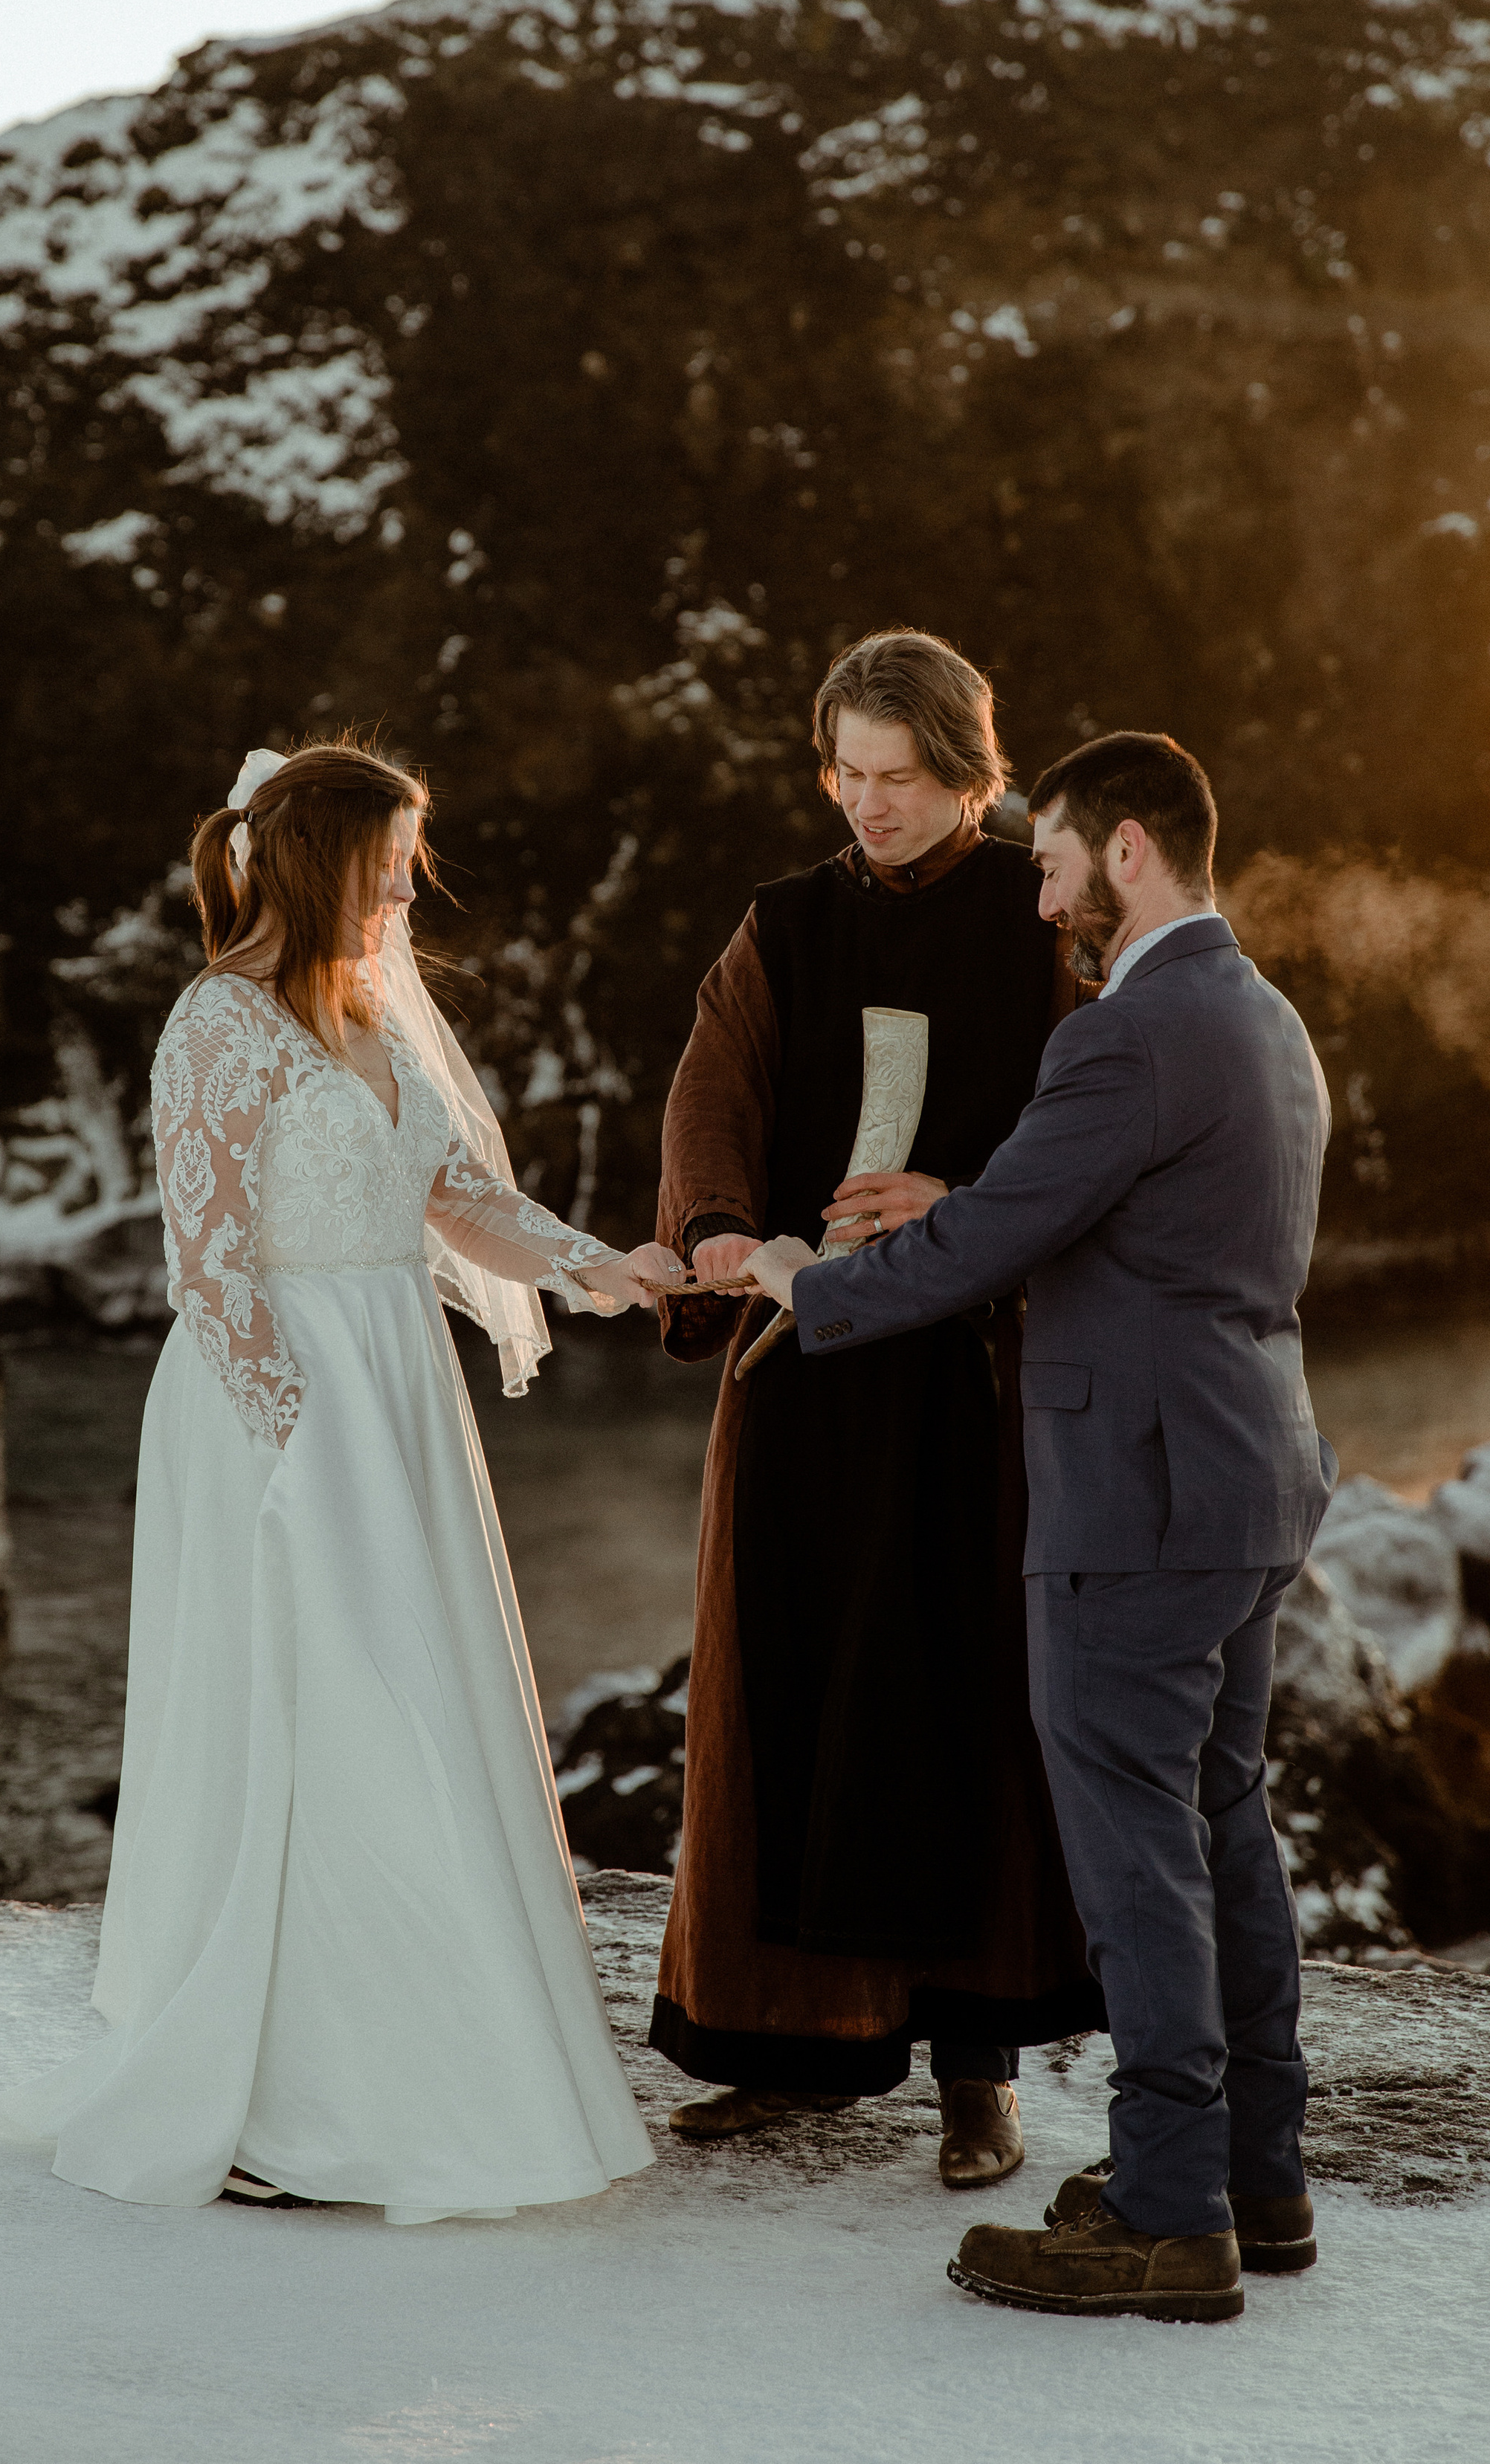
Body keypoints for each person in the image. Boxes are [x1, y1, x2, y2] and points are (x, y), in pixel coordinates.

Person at [0, 738, 681, 2224]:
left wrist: (601, 1267)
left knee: (408, 1710)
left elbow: (456, 1197)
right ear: (317, 864)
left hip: (397, 1391)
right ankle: (275, 2102)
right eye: (389, 865)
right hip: (280, 1403)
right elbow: (210, 1263)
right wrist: (293, 1437)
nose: (406, 892)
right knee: (306, 1723)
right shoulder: (217, 1024)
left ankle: (408, 2074)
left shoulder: (369, 1013)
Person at [743, 730, 1335, 2324]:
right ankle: (1255, 2180)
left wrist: (807, 1282)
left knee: (1136, 1851)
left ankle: (1165, 2216)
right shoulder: (1259, 1014)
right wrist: (963, 1213)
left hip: (1132, 1494)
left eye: (1058, 861)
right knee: (1221, 1825)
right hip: (1248, 1472)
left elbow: (992, 1240)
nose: (1041, 895)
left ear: (1127, 849)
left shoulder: (1123, 1034)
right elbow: (1122, 1229)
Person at [648, 630, 1106, 2192]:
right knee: (786, 1697)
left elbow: (1094, 1125)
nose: (867, 804)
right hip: (800, 1371)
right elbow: (712, 1090)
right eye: (845, 773)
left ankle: (978, 2073)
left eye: (897, 777)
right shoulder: (783, 922)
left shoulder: (1043, 917)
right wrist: (720, 1225)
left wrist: (962, 1201)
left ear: (969, 775)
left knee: (964, 1700)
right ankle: (787, 2042)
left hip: (974, 1374)